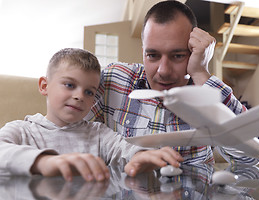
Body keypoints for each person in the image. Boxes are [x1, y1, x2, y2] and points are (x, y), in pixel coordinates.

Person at [85, 1, 259, 176]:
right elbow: (65, 127)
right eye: (152, 55)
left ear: (193, 53)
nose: (163, 71)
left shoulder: (205, 94)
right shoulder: (113, 80)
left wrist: (201, 74)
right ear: (143, 53)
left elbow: (251, 158)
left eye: (177, 56)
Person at [0, 48, 183, 182]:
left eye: (89, 92)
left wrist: (140, 156)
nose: (80, 96)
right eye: (70, 85)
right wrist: (44, 162)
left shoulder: (98, 134)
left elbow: (124, 149)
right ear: (44, 86)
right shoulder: (22, 130)